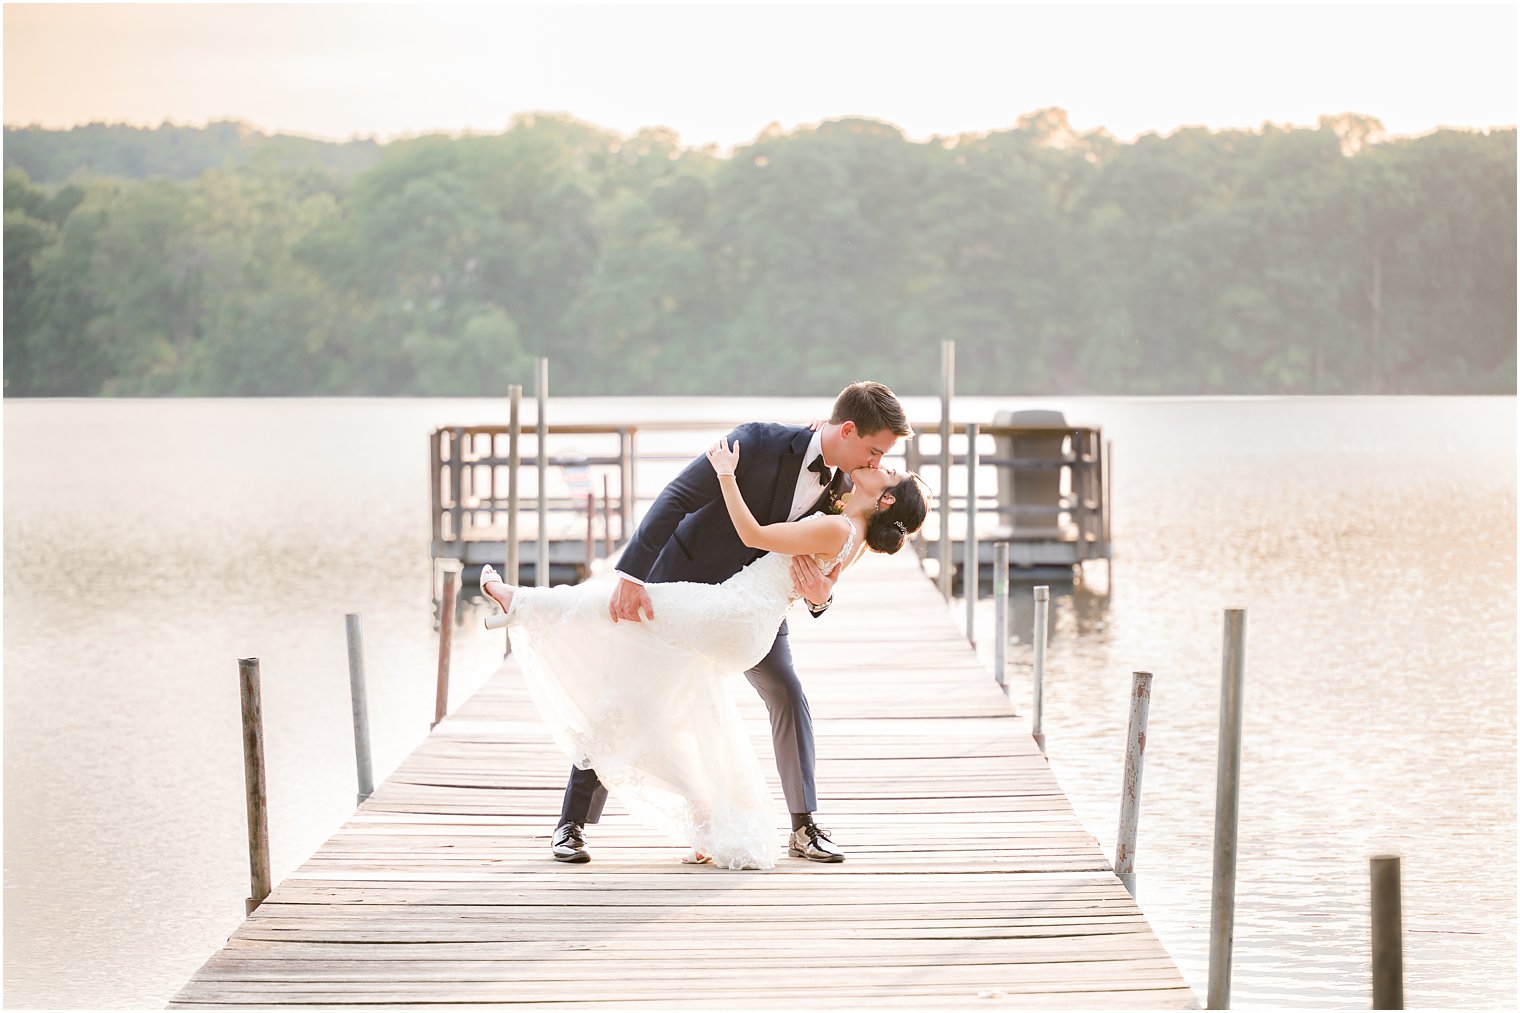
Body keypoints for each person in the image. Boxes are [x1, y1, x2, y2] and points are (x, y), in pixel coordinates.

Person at [480, 381, 922, 868]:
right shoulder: (756, 442)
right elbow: (676, 498)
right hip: (686, 580)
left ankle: (804, 826)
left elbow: (826, 568)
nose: (878, 462)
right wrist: (631, 574)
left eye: (884, 457)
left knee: (787, 691)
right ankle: (573, 824)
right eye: (875, 450)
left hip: (750, 607)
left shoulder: (849, 486)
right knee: (628, 694)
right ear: (848, 429)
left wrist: (822, 598)